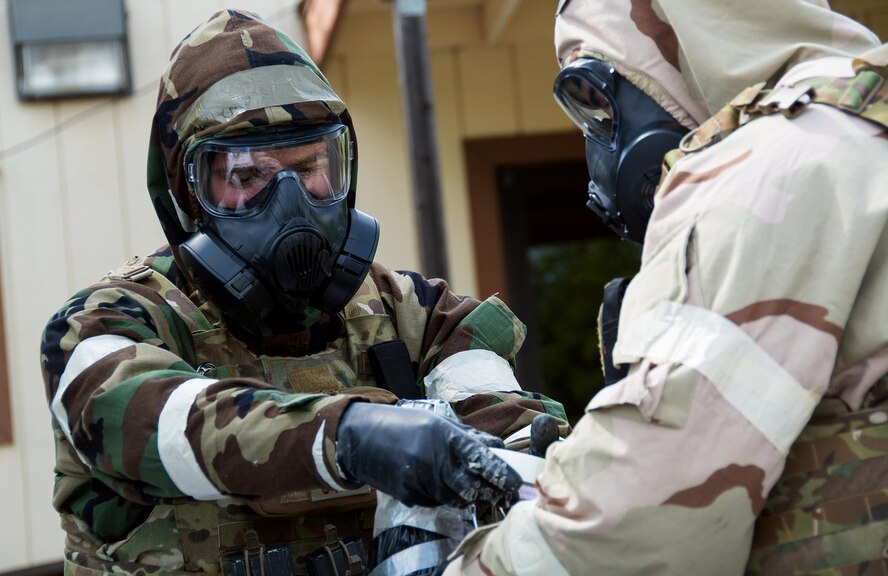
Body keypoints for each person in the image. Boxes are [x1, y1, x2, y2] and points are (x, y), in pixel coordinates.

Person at [39, 10, 569, 576]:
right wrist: (354, 437)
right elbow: (161, 426)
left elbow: (511, 434)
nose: (290, 201)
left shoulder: (418, 315)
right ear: (187, 195)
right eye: (247, 176)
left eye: (311, 165)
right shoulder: (101, 328)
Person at [441, 0, 888, 574]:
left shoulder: (770, 166)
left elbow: (645, 519)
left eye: (596, 98)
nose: (597, 142)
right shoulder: (859, 121)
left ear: (681, 36)